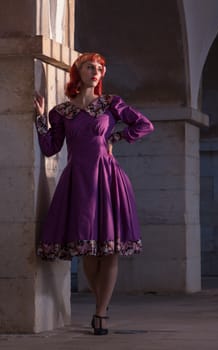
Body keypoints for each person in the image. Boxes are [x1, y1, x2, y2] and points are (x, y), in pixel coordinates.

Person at [34, 52, 154, 335]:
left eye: (101, 68)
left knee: (109, 250)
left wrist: (117, 136)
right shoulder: (61, 112)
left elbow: (144, 124)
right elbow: (50, 147)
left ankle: (100, 312)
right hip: (78, 180)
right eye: (91, 66)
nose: (96, 71)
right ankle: (102, 304)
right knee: (86, 249)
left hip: (108, 179)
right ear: (78, 70)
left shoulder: (112, 104)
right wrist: (39, 119)